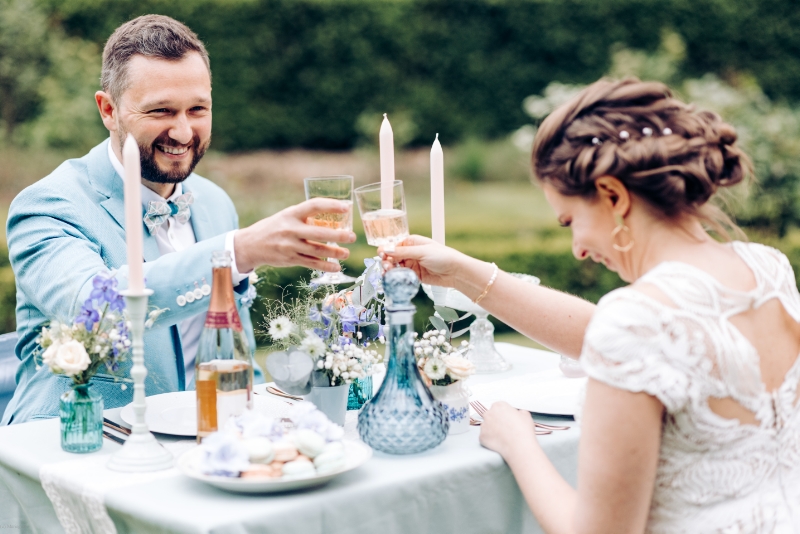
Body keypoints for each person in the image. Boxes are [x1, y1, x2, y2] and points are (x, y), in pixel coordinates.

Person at [385, 79, 800, 532]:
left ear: (614, 197)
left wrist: (518, 443)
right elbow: (634, 337)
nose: (577, 249)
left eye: (570, 221)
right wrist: (463, 272)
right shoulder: (766, 268)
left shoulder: (639, 321)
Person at [2, 15, 354, 425]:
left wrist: (264, 415)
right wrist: (238, 251)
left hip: (204, 441)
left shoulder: (215, 203)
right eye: (161, 110)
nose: (184, 132)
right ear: (108, 110)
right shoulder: (46, 205)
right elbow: (96, 309)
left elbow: (230, 346)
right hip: (74, 445)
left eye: (198, 109)